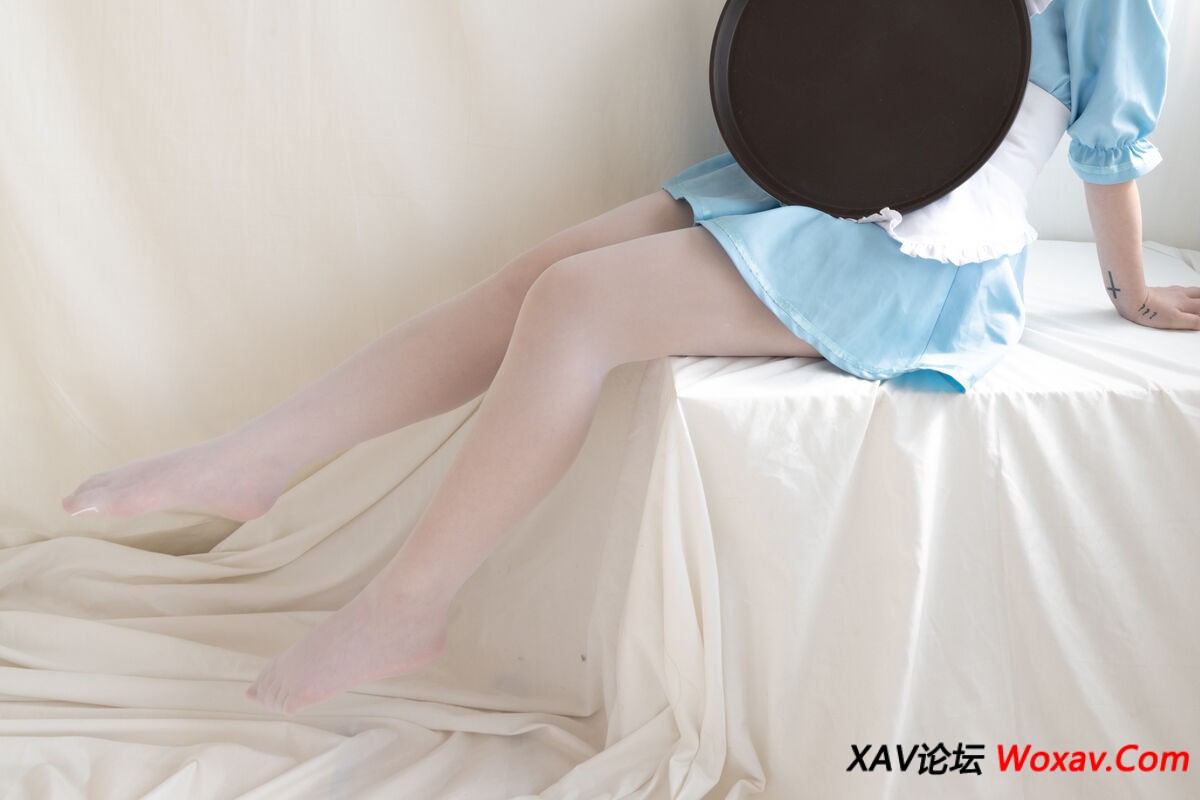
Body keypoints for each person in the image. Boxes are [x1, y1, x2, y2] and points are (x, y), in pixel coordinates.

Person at [60, 0, 1195, 715]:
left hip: (921, 255)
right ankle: (256, 458)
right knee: (531, 275)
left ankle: (409, 603)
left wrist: (1130, 289)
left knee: (576, 306)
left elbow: (1113, 145)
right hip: (812, 176)